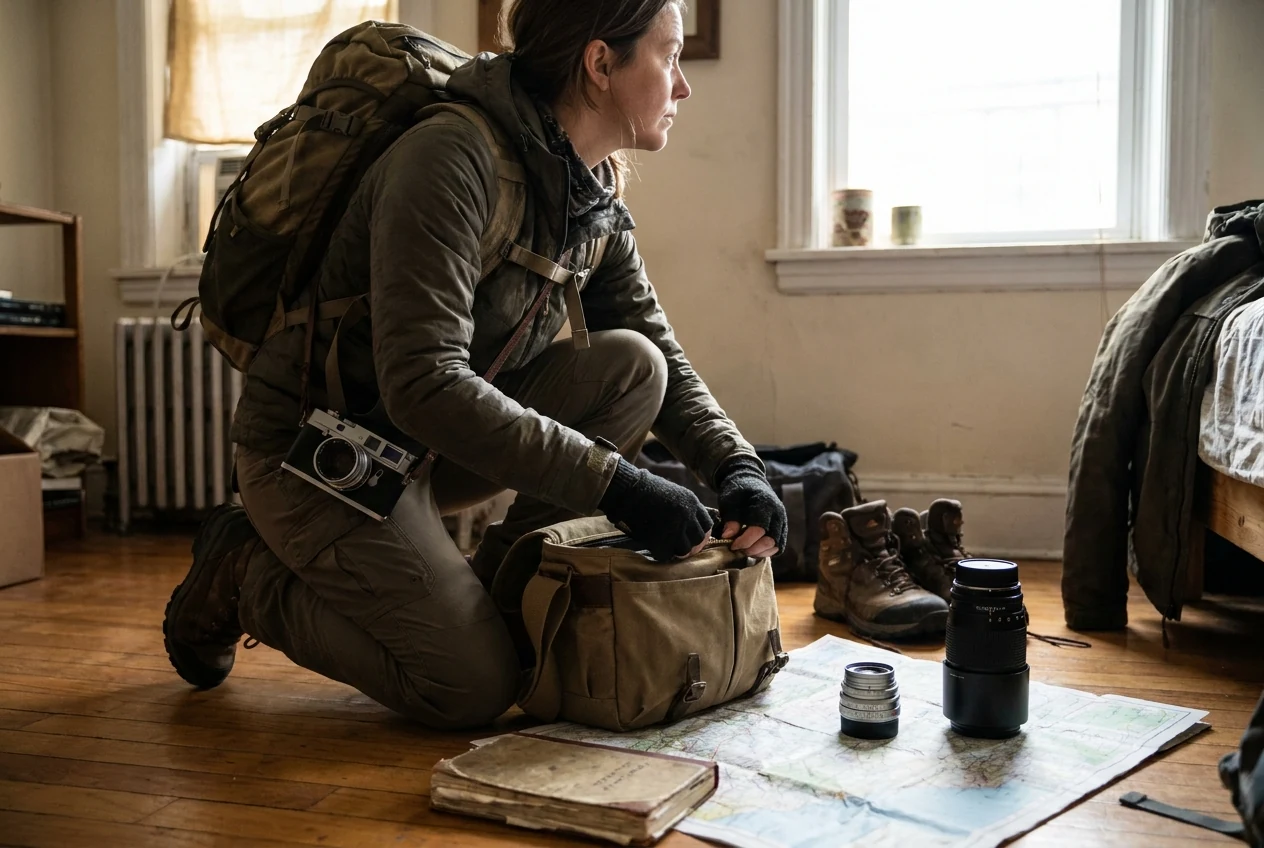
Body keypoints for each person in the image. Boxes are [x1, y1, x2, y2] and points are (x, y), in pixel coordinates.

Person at [163, 0, 788, 730]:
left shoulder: (590, 191)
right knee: (472, 689)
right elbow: (423, 383)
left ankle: (493, 599)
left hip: (426, 449)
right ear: (599, 63)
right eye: (669, 57)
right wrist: (616, 483)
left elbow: (660, 350)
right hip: (316, 450)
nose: (682, 87)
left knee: (634, 366)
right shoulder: (451, 157)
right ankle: (243, 573)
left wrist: (738, 468)